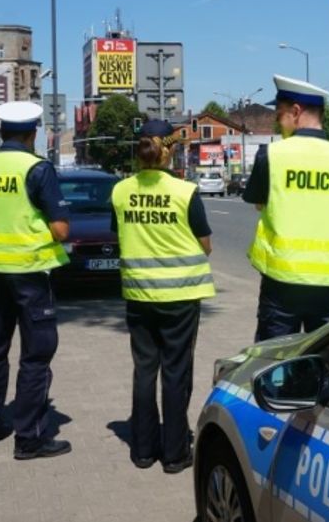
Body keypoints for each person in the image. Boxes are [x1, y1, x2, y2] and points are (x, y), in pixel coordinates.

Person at [0, 101, 72, 461]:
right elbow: (60, 229)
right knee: (36, 355)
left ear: (1, 131)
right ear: (33, 132)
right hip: (30, 273)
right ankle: (29, 437)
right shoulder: (37, 169)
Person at [110, 120, 214, 474]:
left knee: (144, 370)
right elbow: (205, 244)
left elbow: (119, 232)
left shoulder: (120, 191)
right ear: (170, 150)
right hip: (181, 297)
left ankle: (142, 450)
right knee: (175, 372)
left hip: (139, 295)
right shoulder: (185, 192)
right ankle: (174, 453)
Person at [243, 75, 329, 341]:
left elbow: (258, 202)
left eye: (279, 113)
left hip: (282, 285)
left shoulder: (271, 155)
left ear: (296, 112)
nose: (276, 120)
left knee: (272, 365)